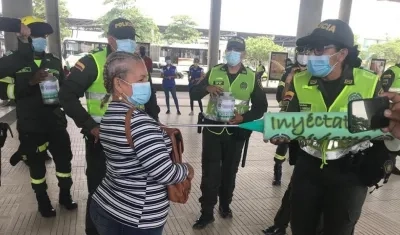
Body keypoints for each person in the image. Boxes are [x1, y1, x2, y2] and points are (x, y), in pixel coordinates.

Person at [275, 19, 393, 235]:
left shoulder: (368, 83)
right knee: (301, 227)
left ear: (342, 53)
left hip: (350, 171)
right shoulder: (301, 80)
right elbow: (289, 120)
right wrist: (281, 133)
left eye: (320, 48)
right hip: (308, 168)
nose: (312, 54)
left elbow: (381, 132)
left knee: (338, 229)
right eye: (310, 49)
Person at [58, 18, 160, 235]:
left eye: (132, 39)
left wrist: (157, 127)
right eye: (123, 39)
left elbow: (149, 102)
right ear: (110, 40)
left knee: (130, 189)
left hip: (134, 141)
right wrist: (89, 126)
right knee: (98, 189)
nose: (129, 43)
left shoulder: (137, 62)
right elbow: (66, 95)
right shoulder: (92, 62)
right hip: (101, 141)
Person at [89, 51, 194, 235]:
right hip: (136, 218)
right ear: (119, 83)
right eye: (141, 80)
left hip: (106, 204)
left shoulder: (109, 115)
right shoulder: (139, 122)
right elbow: (165, 173)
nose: (147, 84)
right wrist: (187, 169)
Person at [2, 15, 77, 217]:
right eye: (37, 35)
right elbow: (3, 91)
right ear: (27, 37)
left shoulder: (53, 61)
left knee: (64, 161)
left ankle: (65, 195)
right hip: (31, 125)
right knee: (36, 166)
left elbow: (63, 88)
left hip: (55, 121)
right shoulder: (13, 61)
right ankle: (43, 202)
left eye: (44, 36)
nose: (42, 39)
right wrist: (29, 83)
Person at [190, 36, 268, 229]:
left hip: (236, 132)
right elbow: (193, 93)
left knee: (229, 171)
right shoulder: (214, 71)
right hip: (213, 129)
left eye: (237, 50)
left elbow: (261, 107)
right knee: (210, 172)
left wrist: (245, 117)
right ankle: (206, 213)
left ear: (243, 54)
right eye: (230, 49)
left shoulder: (251, 76)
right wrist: (206, 87)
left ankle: (225, 205)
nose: (232, 52)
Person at [272, 47, 308, 186]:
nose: (304, 56)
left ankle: (299, 177)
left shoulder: (312, 73)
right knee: (282, 145)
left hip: (304, 118)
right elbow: (281, 97)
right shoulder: (288, 72)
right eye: (302, 53)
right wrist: (288, 80)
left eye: (306, 53)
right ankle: (277, 172)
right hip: (287, 115)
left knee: (301, 149)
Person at [379, 65, 400, 175]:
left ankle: (391, 164)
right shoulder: (392, 71)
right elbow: (382, 91)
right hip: (392, 111)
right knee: (390, 141)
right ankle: (389, 165)